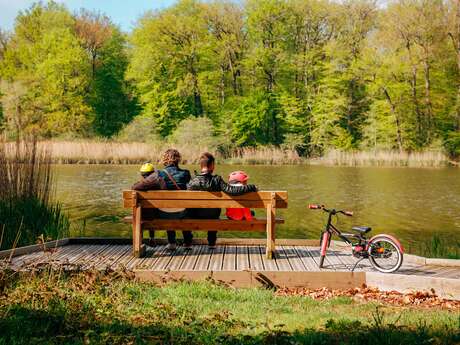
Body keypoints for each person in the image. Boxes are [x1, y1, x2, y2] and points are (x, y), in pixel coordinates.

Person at [187, 153, 257, 249]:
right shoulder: (217, 180)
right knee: (213, 211)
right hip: (212, 217)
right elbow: (233, 191)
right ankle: (211, 243)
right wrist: (251, 187)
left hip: (194, 216)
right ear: (212, 165)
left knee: (187, 212)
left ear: (200, 165)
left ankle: (188, 243)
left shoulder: (192, 181)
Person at [157, 149, 192, 250]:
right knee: (185, 208)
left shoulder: (160, 174)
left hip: (164, 212)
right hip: (182, 211)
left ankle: (172, 242)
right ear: (178, 160)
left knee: (168, 206)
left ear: (165, 160)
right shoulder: (186, 173)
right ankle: (188, 242)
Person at [131, 162, 166, 245]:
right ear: (152, 173)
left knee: (142, 211)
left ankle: (140, 241)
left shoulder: (143, 185)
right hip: (160, 212)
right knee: (150, 209)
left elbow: (134, 187)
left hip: (145, 215)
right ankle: (152, 238)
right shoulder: (158, 182)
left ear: (142, 174)